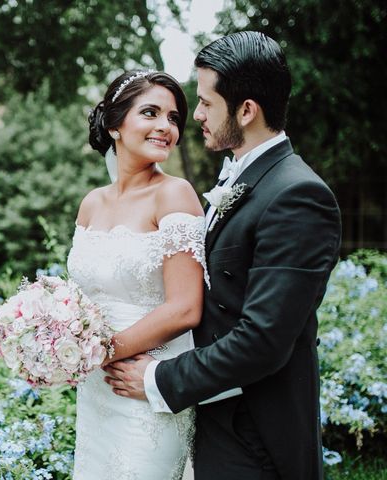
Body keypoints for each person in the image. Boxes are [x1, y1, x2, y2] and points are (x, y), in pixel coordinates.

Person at [103, 31, 342, 480]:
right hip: (213, 420)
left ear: (246, 110)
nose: (196, 116)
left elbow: (264, 340)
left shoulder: (298, 195)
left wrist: (159, 378)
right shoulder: (242, 178)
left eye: (207, 103)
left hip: (257, 436)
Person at [66, 70, 208, 479]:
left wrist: (100, 352)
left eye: (174, 118)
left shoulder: (175, 194)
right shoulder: (91, 203)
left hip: (145, 382)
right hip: (95, 389)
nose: (166, 126)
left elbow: (185, 308)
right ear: (114, 124)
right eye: (151, 113)